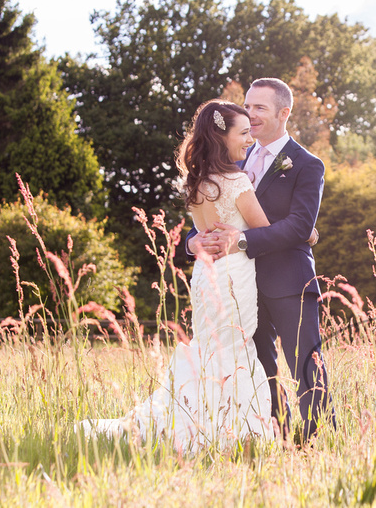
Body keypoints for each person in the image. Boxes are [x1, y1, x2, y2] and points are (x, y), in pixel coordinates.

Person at [77, 100, 274, 451]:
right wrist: (306, 232)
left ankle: (204, 421)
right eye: (244, 133)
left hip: (206, 275)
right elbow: (264, 231)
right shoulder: (236, 181)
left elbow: (200, 233)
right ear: (222, 136)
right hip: (233, 275)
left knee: (210, 349)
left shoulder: (197, 182)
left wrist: (198, 242)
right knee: (233, 349)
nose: (250, 140)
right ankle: (229, 431)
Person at [187, 78, 335, 442]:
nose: (250, 114)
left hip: (288, 281)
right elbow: (210, 218)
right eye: (247, 106)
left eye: (260, 108)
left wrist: (241, 241)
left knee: (305, 364)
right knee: (260, 367)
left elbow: (300, 225)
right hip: (240, 286)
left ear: (284, 113)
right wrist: (193, 243)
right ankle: (278, 437)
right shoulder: (233, 156)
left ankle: (319, 441)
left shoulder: (307, 164)